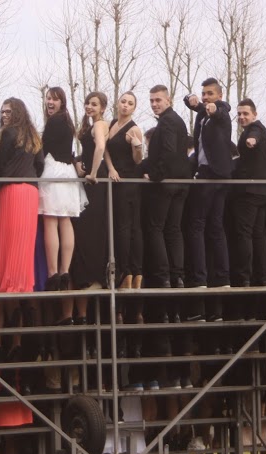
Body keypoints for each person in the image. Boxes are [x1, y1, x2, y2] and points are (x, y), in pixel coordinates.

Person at [0, 97, 44, 396]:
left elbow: (0, 165)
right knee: (22, 253)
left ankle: (11, 323)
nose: (4, 115)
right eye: (2, 112)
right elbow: (39, 165)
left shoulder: (8, 135)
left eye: (8, 111)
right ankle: (23, 318)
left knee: (7, 253)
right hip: (30, 193)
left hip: (11, 191)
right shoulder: (34, 136)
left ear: (17, 113)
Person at [100, 91, 145, 366]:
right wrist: (110, 168)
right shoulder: (112, 125)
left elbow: (139, 159)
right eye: (123, 101)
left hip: (130, 182)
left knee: (129, 228)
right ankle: (124, 271)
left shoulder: (134, 128)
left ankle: (131, 274)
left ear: (134, 108)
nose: (125, 105)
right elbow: (105, 149)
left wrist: (137, 145)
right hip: (115, 180)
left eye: (130, 103)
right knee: (119, 227)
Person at [183, 78, 232, 319]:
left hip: (213, 174)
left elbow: (221, 110)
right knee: (213, 226)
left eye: (210, 93)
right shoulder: (202, 114)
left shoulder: (221, 112)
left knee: (197, 224)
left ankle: (202, 278)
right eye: (203, 94)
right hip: (206, 171)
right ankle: (219, 277)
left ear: (219, 95)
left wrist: (213, 107)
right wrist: (191, 100)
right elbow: (192, 103)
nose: (205, 98)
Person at [140, 85, 191, 290]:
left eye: (158, 100)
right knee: (173, 229)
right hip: (181, 182)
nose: (154, 104)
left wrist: (155, 175)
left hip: (167, 182)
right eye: (151, 100)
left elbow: (169, 152)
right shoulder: (176, 120)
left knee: (156, 228)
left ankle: (164, 276)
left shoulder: (168, 121)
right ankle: (177, 275)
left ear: (168, 100)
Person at [39, 86, 86, 295]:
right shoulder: (67, 121)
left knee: (51, 220)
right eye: (48, 98)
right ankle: (65, 270)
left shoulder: (54, 122)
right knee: (65, 220)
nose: (50, 102)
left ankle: (53, 273)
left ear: (62, 102)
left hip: (54, 171)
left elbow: (43, 150)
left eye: (55, 99)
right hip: (68, 172)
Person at [72, 91, 110, 322]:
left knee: (92, 229)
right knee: (86, 229)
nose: (89, 106)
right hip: (88, 178)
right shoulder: (91, 125)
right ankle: (88, 277)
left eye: (94, 104)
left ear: (102, 108)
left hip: (95, 182)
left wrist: (93, 173)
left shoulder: (100, 124)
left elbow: (100, 148)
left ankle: (96, 278)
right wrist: (79, 163)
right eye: (87, 103)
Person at [229, 98, 266, 290]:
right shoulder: (259, 129)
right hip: (263, 191)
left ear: (254, 114)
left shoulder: (255, 129)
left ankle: (244, 276)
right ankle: (262, 275)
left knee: (245, 233)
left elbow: (255, 136)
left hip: (250, 192)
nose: (241, 117)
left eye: (245, 113)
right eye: (239, 114)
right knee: (258, 234)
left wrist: (251, 140)